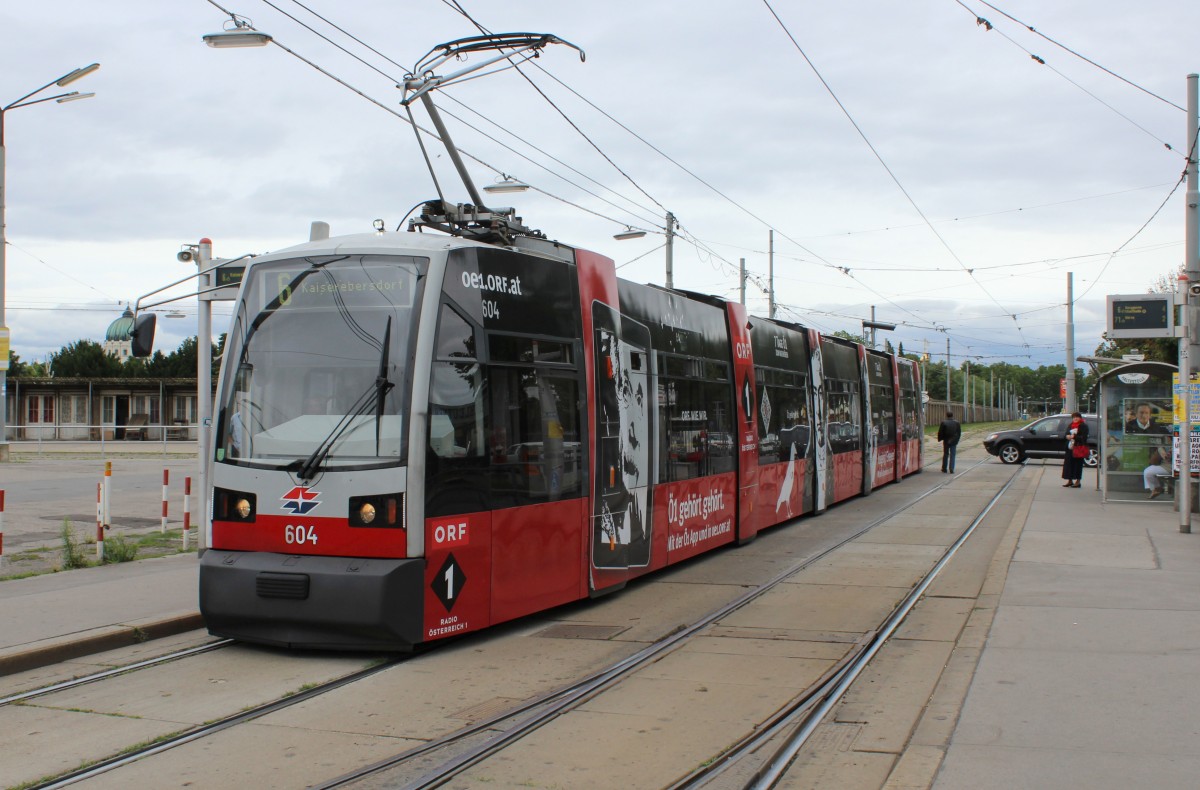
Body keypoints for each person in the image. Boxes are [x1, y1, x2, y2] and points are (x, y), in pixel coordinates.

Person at [1061, 412, 1089, 488]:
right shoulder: (1070, 425)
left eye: (1077, 417)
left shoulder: (1083, 426)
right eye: (1074, 417)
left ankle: (1078, 481)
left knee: (1078, 465)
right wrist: (1067, 436)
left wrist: (1074, 437)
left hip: (1078, 448)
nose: (1075, 419)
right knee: (1068, 464)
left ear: (1080, 418)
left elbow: (1083, 438)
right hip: (1070, 448)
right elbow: (1066, 434)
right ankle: (1070, 480)